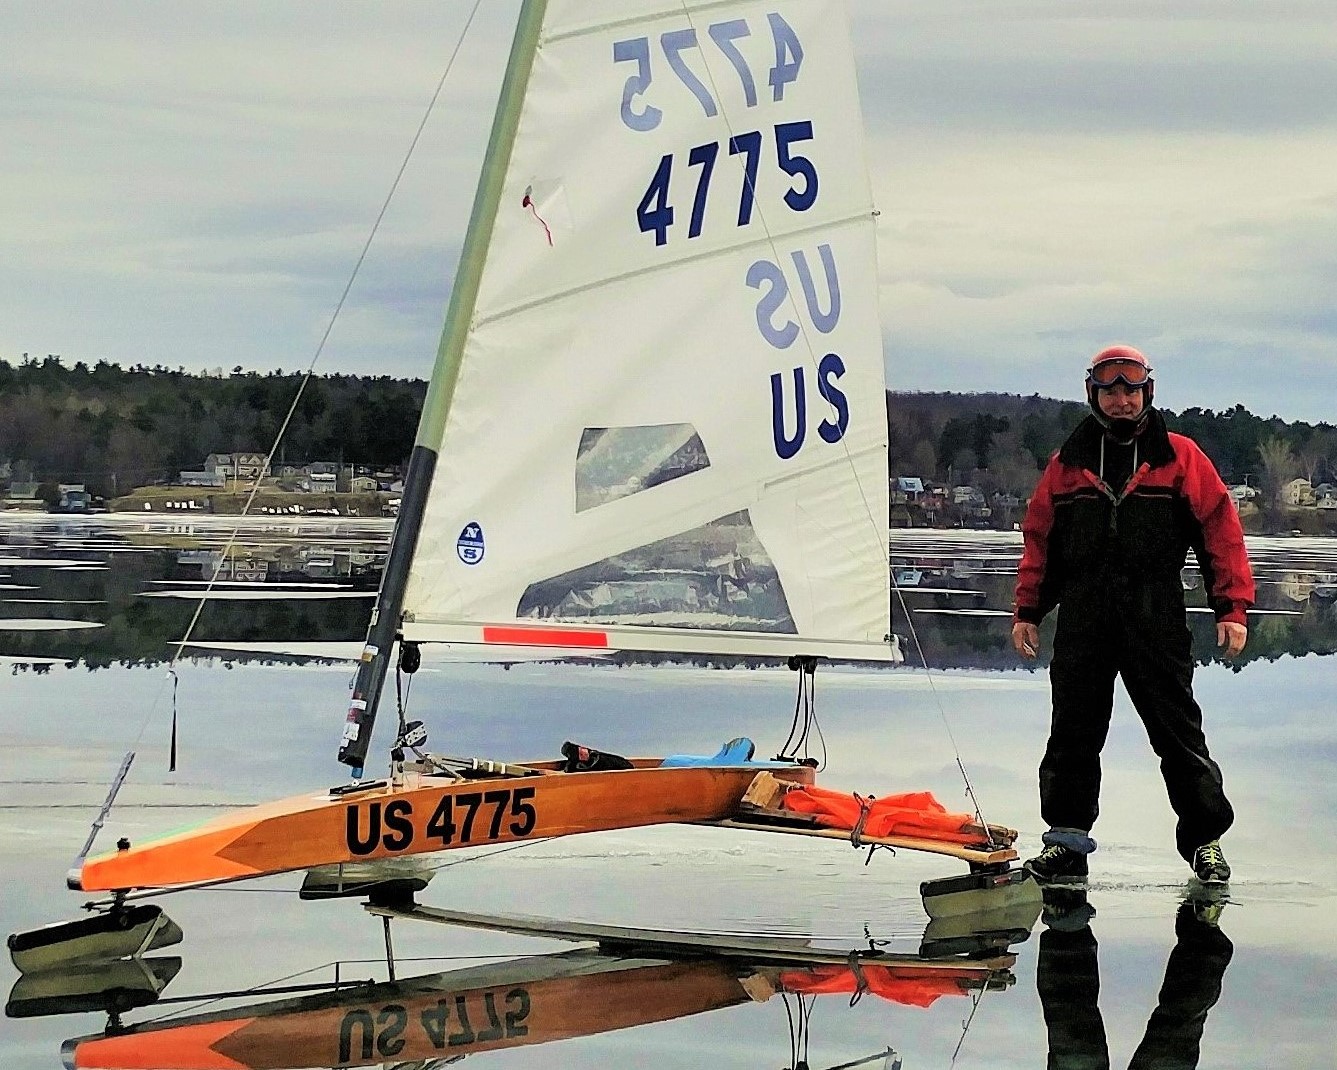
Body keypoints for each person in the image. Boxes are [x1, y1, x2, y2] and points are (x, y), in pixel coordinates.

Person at [1012, 344, 1254, 885]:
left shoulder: (1180, 457)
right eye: (1109, 390)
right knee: (1072, 736)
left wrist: (1231, 607)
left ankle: (1205, 842)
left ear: (1148, 392)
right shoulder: (1067, 465)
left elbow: (1221, 531)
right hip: (1084, 620)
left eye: (1131, 390)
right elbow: (1040, 540)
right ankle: (1066, 843)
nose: (1121, 400)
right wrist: (1028, 609)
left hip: (1155, 617)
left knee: (1178, 735)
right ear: (1093, 394)